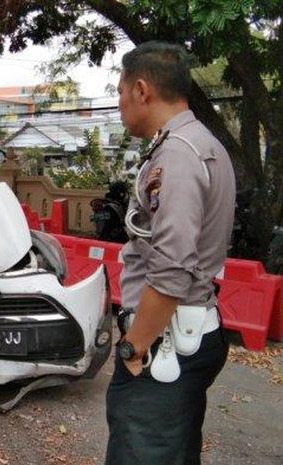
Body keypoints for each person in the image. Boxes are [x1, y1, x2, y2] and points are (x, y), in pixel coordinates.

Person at [106, 42, 235, 465]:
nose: (120, 103)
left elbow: (172, 269)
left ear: (142, 89)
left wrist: (133, 347)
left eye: (121, 91)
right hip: (183, 333)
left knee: (143, 450)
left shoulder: (177, 156)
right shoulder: (199, 143)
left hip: (166, 343)